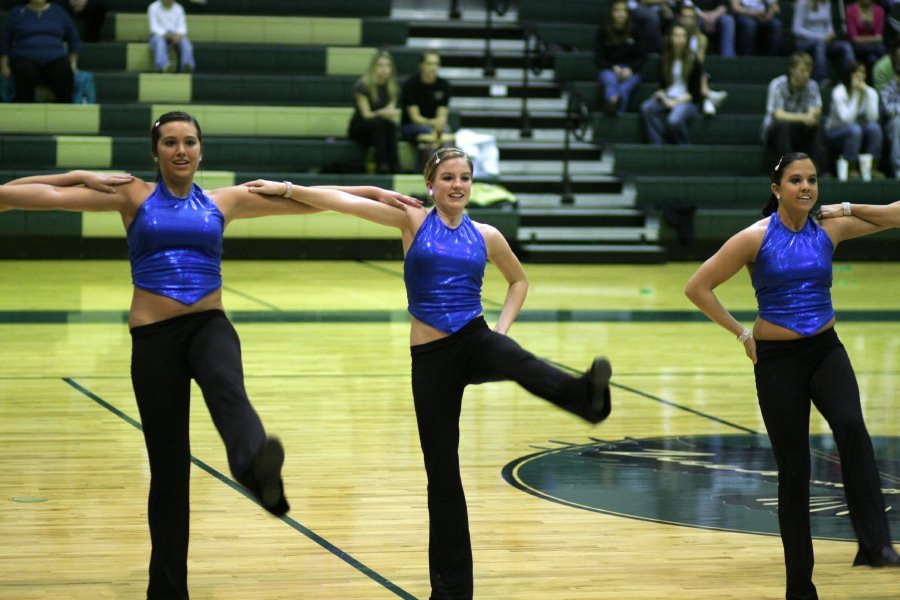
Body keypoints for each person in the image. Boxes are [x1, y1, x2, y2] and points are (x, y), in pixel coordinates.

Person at [0, 110, 414, 599]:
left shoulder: (226, 201)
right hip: (154, 340)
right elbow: (15, 195)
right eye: (170, 142)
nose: (181, 150)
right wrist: (77, 175)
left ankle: (256, 467)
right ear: (155, 152)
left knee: (228, 390)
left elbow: (311, 202)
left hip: (208, 326)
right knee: (169, 468)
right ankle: (168, 590)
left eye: (189, 142)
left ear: (202, 151)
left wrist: (374, 194)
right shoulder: (131, 195)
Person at [245, 146, 613, 600]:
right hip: (433, 358)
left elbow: (518, 280)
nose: (457, 185)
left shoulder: (487, 234)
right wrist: (287, 188)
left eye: (464, 177)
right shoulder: (412, 221)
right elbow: (341, 202)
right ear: (430, 185)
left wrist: (500, 329)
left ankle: (587, 399)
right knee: (443, 475)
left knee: (520, 360)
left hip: (475, 338)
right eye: (448, 178)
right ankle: (452, 588)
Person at [685, 151, 900, 600]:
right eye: (796, 180)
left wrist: (845, 208)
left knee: (852, 428)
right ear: (776, 188)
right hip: (778, 363)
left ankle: (875, 543)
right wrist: (742, 332)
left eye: (813, 180)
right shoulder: (754, 238)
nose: (806, 187)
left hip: (826, 351)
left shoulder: (830, 228)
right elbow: (697, 286)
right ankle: (800, 585)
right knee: (794, 472)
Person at [0, 0, 80, 103]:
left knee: (63, 72)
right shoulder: (17, 12)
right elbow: (5, 40)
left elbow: (73, 38)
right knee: (25, 72)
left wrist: (73, 63)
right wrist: (4, 65)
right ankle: (24, 111)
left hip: (55, 57)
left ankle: (62, 112)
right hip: (24, 57)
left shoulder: (59, 12)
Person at [640, 22, 704, 144]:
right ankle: (657, 145)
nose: (679, 39)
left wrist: (675, 102)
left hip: (687, 100)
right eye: (676, 35)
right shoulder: (665, 60)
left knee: (674, 120)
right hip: (668, 96)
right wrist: (662, 95)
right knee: (647, 108)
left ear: (687, 39)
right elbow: (663, 86)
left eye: (682, 36)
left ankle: (685, 148)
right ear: (670, 38)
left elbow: (696, 94)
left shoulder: (694, 62)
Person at [761, 52, 825, 169]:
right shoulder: (778, 85)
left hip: (798, 129)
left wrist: (810, 116)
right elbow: (778, 115)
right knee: (783, 126)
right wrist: (803, 117)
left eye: (808, 71)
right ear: (792, 70)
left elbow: (815, 110)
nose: (806, 75)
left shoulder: (812, 85)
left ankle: (816, 169)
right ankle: (788, 169)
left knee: (816, 126)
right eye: (802, 70)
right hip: (775, 131)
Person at [824, 61, 882, 181]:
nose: (860, 75)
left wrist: (867, 94)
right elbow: (847, 119)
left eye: (863, 72)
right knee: (854, 129)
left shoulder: (869, 92)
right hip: (835, 132)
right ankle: (851, 168)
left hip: (858, 130)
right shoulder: (839, 92)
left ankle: (873, 168)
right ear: (849, 74)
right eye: (856, 72)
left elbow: (873, 117)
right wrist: (856, 94)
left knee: (874, 128)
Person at [348, 49, 400, 174]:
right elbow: (366, 115)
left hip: (380, 127)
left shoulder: (392, 87)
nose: (384, 69)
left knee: (391, 126)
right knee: (379, 125)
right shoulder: (363, 85)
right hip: (360, 127)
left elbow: (391, 111)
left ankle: (395, 165)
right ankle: (381, 164)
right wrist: (382, 112)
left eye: (388, 65)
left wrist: (388, 113)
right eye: (380, 65)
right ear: (373, 67)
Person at [400, 50, 453, 167]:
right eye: (429, 64)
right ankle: (426, 173)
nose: (433, 67)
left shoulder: (444, 85)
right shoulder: (410, 84)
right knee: (429, 136)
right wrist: (434, 126)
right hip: (411, 126)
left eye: (436, 64)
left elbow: (442, 116)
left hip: (434, 127)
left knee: (446, 136)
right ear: (421, 65)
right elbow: (415, 118)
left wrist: (438, 128)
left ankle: (446, 172)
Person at [595, 0, 648, 115]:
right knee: (610, 81)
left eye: (624, 11)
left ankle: (612, 106)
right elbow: (599, 58)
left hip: (631, 70)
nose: (621, 14)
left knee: (624, 88)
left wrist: (631, 69)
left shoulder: (636, 30)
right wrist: (613, 67)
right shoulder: (604, 30)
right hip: (609, 69)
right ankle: (615, 107)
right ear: (611, 13)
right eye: (617, 10)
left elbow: (641, 57)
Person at [677, 2, 728, 115]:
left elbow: (699, 60)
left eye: (690, 18)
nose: (687, 21)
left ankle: (706, 96)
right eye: (685, 17)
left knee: (700, 72)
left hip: (692, 70)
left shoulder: (701, 39)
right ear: (680, 19)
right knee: (701, 75)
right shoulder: (675, 34)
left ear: (695, 20)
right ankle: (708, 97)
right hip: (677, 68)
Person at [792, 0, 855, 83]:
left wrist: (830, 34)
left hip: (825, 40)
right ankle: (822, 80)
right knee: (820, 45)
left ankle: (852, 77)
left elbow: (828, 24)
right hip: (806, 42)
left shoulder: (826, 3)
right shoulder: (803, 3)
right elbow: (796, 29)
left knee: (845, 46)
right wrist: (820, 37)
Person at [147, 0, 194, 73]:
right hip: (158, 35)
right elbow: (154, 27)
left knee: (186, 44)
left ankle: (187, 65)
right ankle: (163, 66)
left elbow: (182, 26)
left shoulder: (179, 8)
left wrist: (178, 35)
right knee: (160, 43)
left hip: (175, 34)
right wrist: (167, 35)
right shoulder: (153, 7)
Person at [846, 0, 886, 79]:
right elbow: (854, 38)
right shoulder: (851, 10)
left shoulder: (879, 10)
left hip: (874, 47)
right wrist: (873, 39)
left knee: (872, 59)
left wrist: (863, 39)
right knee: (880, 49)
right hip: (858, 47)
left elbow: (880, 36)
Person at [879, 44, 900, 178]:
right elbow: (888, 110)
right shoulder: (888, 87)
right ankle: (899, 169)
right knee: (898, 122)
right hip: (892, 124)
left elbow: (895, 108)